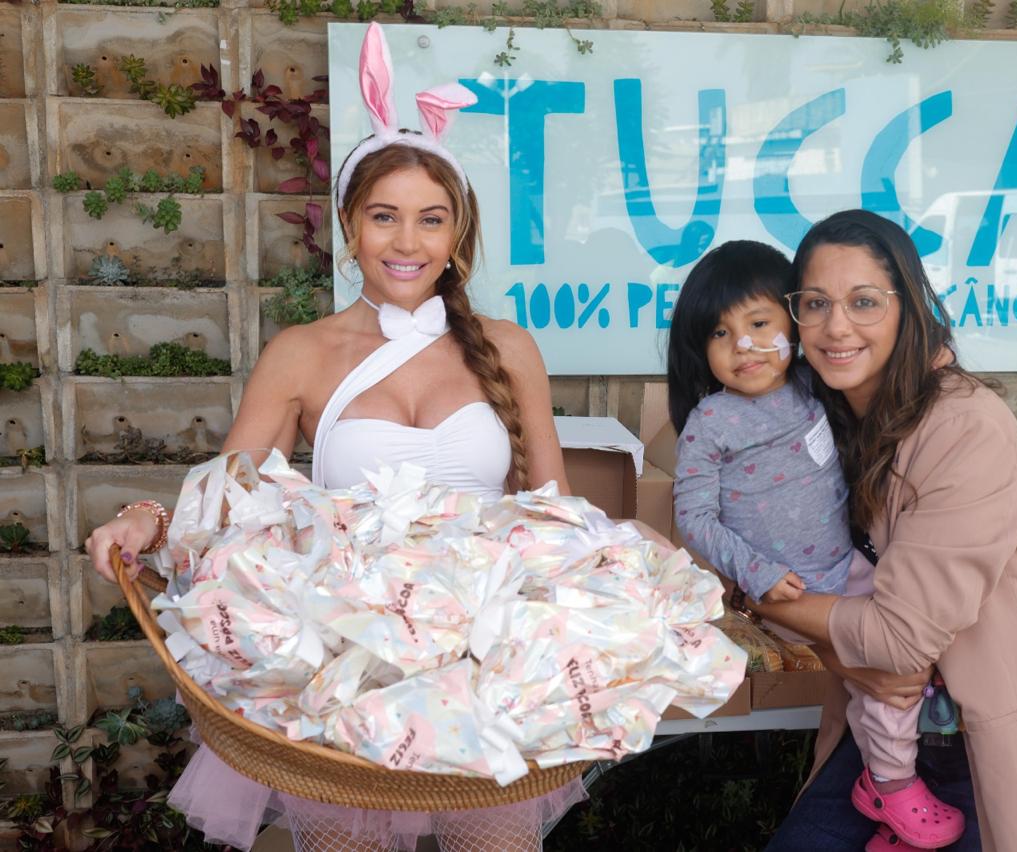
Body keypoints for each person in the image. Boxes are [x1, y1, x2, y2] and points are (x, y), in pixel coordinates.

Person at [84, 23, 580, 852]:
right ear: (350, 226)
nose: (407, 242)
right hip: (349, 665)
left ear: (457, 234)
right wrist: (148, 520)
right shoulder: (302, 352)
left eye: (431, 220)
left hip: (488, 661)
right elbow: (228, 497)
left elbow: (556, 511)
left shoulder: (509, 347)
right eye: (385, 217)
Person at [757, 210, 1017, 851]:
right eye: (816, 303)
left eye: (864, 302)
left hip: (996, 741)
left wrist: (760, 595)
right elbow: (731, 524)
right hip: (886, 738)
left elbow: (898, 639)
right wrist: (822, 641)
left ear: (908, 308)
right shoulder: (822, 418)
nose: (837, 327)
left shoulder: (964, 428)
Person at [666, 240, 963, 850]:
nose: (744, 345)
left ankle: (891, 806)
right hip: (787, 592)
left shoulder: (813, 384)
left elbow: (895, 372)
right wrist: (754, 571)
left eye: (759, 324)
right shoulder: (711, 422)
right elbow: (692, 517)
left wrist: (936, 356)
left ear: (794, 324)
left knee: (909, 665)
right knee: (885, 681)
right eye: (720, 333)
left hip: (847, 567)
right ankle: (891, 786)